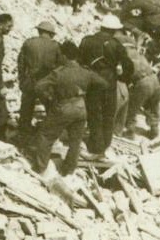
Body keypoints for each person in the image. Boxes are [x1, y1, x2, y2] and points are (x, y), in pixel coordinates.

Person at [29, 48, 106, 176]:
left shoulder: (59, 73)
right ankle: (68, 170)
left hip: (63, 107)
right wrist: (87, 94)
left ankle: (40, 168)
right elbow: (103, 84)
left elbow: (38, 87)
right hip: (81, 108)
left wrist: (48, 98)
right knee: (75, 141)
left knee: (46, 135)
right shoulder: (86, 72)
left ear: (65, 56)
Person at [78, 15, 135, 155]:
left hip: (91, 81)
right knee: (108, 114)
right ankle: (104, 145)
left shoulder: (87, 40)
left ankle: (95, 144)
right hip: (109, 82)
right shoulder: (116, 44)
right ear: (114, 30)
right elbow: (128, 65)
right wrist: (122, 77)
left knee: (94, 112)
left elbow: (79, 61)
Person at [16, 19, 63, 138]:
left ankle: (23, 132)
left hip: (30, 80)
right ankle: (48, 133)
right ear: (51, 33)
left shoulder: (28, 43)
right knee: (50, 107)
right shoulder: (56, 46)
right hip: (47, 82)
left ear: (39, 31)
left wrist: (22, 80)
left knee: (26, 108)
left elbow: (21, 63)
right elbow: (60, 66)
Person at [115, 29, 160, 138]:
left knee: (131, 106)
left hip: (142, 82)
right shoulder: (137, 53)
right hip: (155, 79)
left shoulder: (123, 55)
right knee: (153, 105)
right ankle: (154, 128)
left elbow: (122, 74)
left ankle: (129, 130)